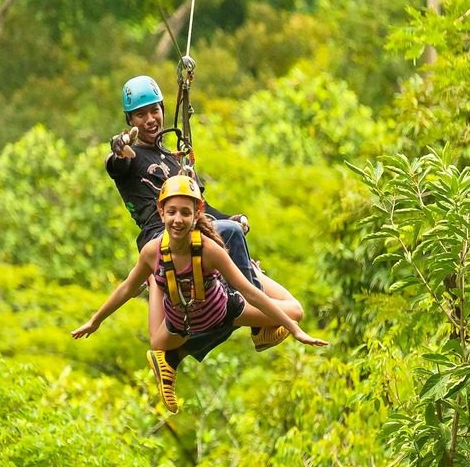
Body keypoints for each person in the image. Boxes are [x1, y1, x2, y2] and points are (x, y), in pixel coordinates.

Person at [72, 175, 328, 412]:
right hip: (179, 324)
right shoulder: (151, 252)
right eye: (171, 212)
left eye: (185, 213)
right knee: (156, 345)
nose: (177, 220)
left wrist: (294, 330)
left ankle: (254, 272)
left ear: (197, 215)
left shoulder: (209, 250)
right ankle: (163, 284)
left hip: (224, 312)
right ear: (161, 213)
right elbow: (126, 288)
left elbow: (249, 292)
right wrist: (96, 320)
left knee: (295, 312)